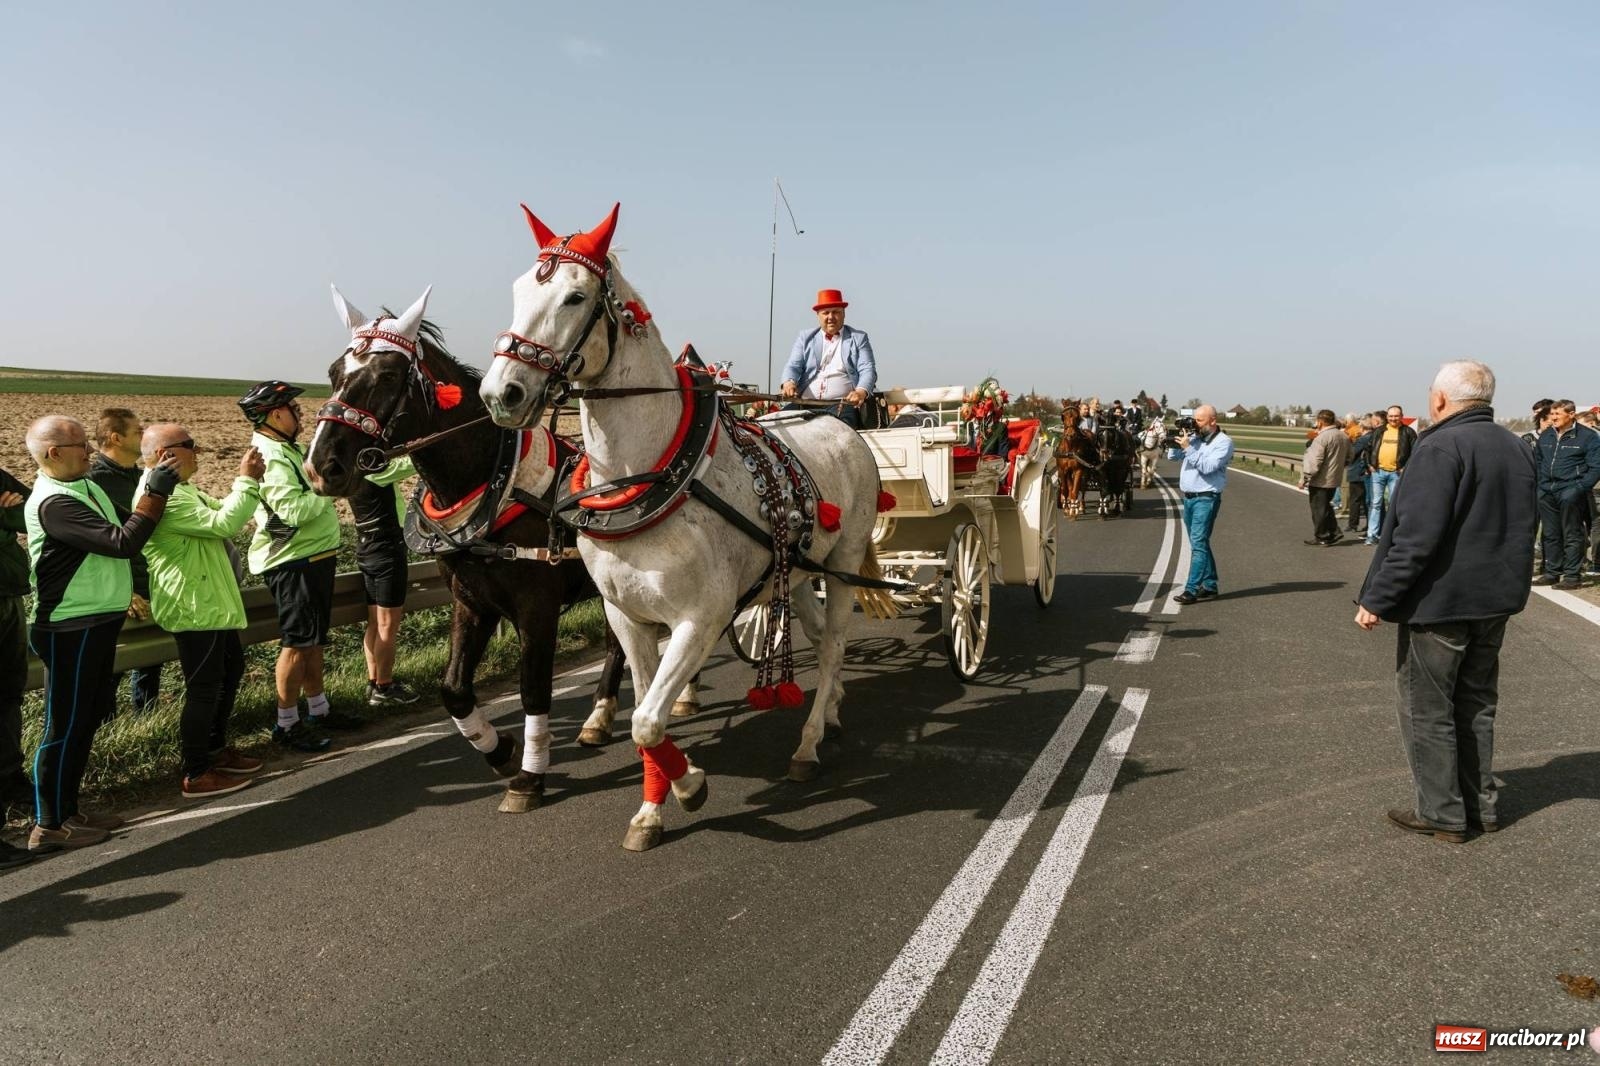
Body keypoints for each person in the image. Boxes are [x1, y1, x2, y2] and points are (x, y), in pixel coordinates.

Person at [1355, 361, 1536, 843]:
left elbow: (1416, 537)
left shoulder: (1440, 445)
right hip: (1496, 600)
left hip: (1442, 602)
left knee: (1426, 709)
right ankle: (1482, 807)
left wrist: (1377, 597)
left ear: (1440, 400)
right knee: (1476, 704)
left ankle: (1441, 813)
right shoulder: (1517, 446)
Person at [22, 416, 179, 851]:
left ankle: (69, 810)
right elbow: (122, 542)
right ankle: (49, 823)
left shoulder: (84, 486)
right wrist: (156, 492)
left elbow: (128, 524)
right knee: (64, 724)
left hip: (96, 621)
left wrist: (151, 489)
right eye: (79, 444)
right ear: (53, 453)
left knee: (85, 719)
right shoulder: (54, 502)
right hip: (70, 626)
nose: (89, 451)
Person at [134, 424, 267, 798]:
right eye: (190, 445)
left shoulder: (181, 489)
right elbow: (227, 521)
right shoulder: (164, 497)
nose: (198, 450)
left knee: (229, 673)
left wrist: (244, 486)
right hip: (193, 604)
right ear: (166, 455)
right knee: (204, 688)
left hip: (209, 602)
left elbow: (223, 510)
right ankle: (196, 771)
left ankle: (214, 749)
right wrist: (245, 480)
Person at [239, 381, 357, 752]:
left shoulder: (286, 449)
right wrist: (328, 489)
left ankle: (318, 709)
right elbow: (292, 512)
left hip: (313, 557)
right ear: (276, 414)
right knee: (296, 644)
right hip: (294, 562)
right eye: (293, 408)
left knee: (313, 641)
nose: (299, 414)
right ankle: (285, 722)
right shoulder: (271, 457)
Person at [87, 407, 162, 714]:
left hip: (152, 582)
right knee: (113, 669)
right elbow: (98, 544)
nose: (144, 434)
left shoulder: (142, 476)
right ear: (116, 438)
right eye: (137, 430)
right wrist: (124, 590)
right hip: (121, 592)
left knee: (152, 662)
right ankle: (107, 735)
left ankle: (146, 724)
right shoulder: (95, 482)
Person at [351, 458, 420, 707]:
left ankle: (374, 682)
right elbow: (406, 465)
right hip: (387, 549)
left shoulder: (350, 470)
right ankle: (385, 686)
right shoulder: (371, 469)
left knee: (374, 623)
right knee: (387, 626)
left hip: (367, 549)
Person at [779, 289, 877, 429]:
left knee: (842, 432)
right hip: (804, 403)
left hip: (841, 405)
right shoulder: (805, 337)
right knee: (774, 427)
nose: (830, 317)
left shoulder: (859, 338)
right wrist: (788, 383)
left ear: (844, 313)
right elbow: (793, 365)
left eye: (835, 312)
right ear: (818, 315)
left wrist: (860, 392)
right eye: (825, 313)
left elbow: (867, 369)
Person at [1, 467, 34, 869]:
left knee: (10, 695)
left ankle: (11, 781)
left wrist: (6, 514)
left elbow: (30, 513)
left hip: (9, 594)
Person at [1532, 400, 1600, 590]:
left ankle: (1572, 576)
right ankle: (1552, 572)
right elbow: (1538, 461)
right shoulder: (1546, 436)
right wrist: (1541, 485)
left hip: (1571, 491)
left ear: (1571, 414)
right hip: (1546, 491)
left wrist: (1578, 488)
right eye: (1552, 414)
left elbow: (1596, 467)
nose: (1553, 418)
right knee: (1551, 534)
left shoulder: (1588, 437)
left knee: (1572, 533)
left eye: (1557, 414)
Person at [1172, 405, 1234, 605]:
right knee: (1200, 543)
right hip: (1189, 498)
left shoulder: (1224, 442)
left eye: (1199, 420)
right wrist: (1177, 439)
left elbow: (1208, 468)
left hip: (1206, 499)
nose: (1195, 424)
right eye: (1194, 420)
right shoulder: (1196, 439)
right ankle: (1210, 586)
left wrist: (1188, 448)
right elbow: (1173, 457)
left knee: (1198, 544)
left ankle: (1191, 589)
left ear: (1212, 421)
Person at [1364, 405, 1418, 545]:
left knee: (1393, 505)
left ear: (1401, 416)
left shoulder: (1408, 432)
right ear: (1387, 417)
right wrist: (1370, 465)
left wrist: (1405, 467)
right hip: (1378, 472)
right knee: (1375, 504)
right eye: (1391, 416)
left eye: (1396, 416)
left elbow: (1416, 452)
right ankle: (1372, 535)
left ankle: (1390, 536)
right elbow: (1368, 449)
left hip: (1396, 474)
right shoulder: (1379, 431)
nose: (1393, 418)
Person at [1300, 409, 1352, 546]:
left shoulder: (1321, 438)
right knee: (1325, 507)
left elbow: (1314, 462)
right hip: (1335, 478)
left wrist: (1305, 478)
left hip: (1320, 479)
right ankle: (1334, 532)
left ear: (1320, 421)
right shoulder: (1343, 436)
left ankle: (1322, 536)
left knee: (1318, 509)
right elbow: (1350, 456)